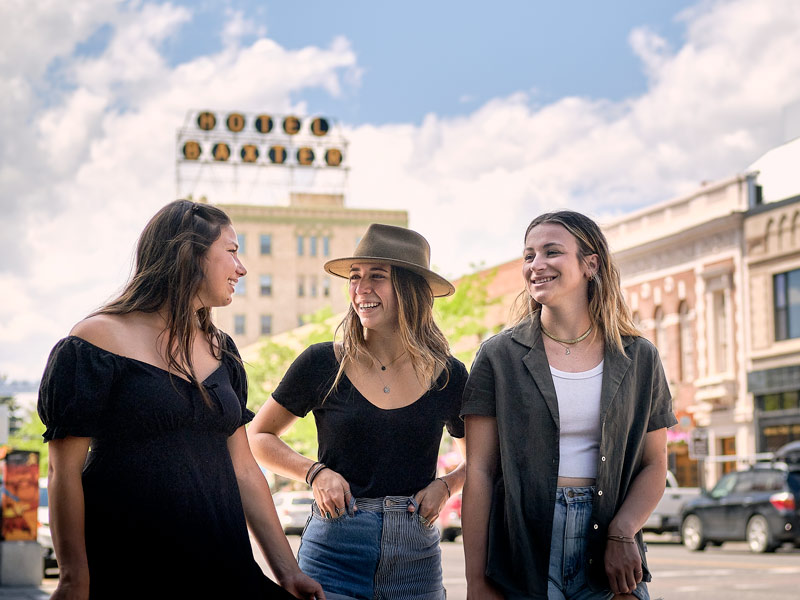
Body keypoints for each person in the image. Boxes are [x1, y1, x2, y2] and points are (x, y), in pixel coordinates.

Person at [38, 200, 325, 600]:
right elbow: (62, 471)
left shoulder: (221, 349)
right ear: (189, 254)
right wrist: (74, 578)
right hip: (128, 569)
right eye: (232, 251)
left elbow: (244, 470)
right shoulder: (95, 341)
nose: (241, 268)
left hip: (223, 568)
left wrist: (288, 571)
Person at [461, 210, 676, 600]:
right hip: (521, 556)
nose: (536, 265)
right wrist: (476, 581)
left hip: (610, 552)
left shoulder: (640, 356)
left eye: (551, 252)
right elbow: (479, 472)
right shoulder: (498, 357)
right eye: (529, 256)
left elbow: (654, 464)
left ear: (590, 264)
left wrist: (622, 531)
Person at [248, 223, 468, 600]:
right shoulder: (321, 362)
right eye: (355, 277)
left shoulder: (448, 375)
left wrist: (447, 485)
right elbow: (258, 437)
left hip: (416, 557)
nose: (361, 289)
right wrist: (313, 473)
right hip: (332, 551)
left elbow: (478, 461)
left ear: (411, 290)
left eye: (377, 277)